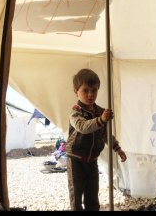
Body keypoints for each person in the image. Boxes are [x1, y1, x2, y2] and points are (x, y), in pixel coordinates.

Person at [66, 68, 127, 211]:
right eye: (85, 90)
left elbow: (105, 134)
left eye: (94, 90)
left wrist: (117, 148)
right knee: (76, 194)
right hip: (76, 158)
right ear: (76, 91)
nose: (90, 94)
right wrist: (101, 119)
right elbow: (82, 127)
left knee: (92, 194)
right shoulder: (75, 111)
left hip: (92, 160)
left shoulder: (100, 111)